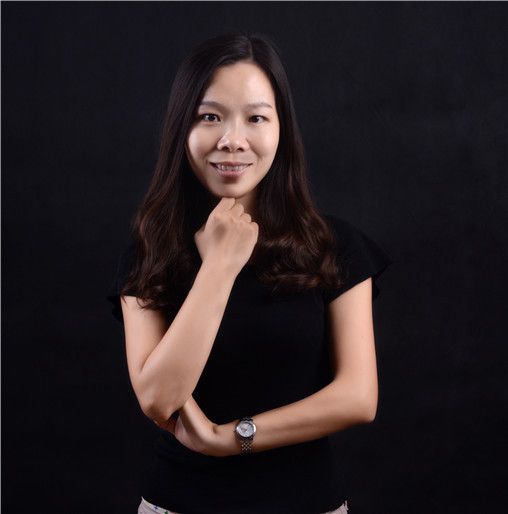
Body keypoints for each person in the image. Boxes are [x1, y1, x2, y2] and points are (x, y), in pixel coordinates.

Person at [106, 31, 392, 514]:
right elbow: (158, 398)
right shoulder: (150, 251)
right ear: (181, 128)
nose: (232, 140)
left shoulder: (333, 245)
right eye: (210, 117)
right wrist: (220, 266)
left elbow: (358, 397)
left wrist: (232, 438)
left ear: (281, 130)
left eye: (256, 118)